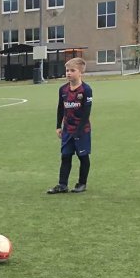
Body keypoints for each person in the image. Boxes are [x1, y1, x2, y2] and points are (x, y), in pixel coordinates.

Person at [46, 57, 93, 194]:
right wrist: (58, 126)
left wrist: (79, 131)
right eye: (67, 70)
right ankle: (62, 185)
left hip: (82, 130)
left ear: (80, 72)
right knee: (65, 156)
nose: (68, 73)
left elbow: (87, 112)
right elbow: (60, 108)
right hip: (67, 130)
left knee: (83, 156)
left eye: (72, 70)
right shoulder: (63, 89)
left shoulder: (86, 90)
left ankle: (82, 183)